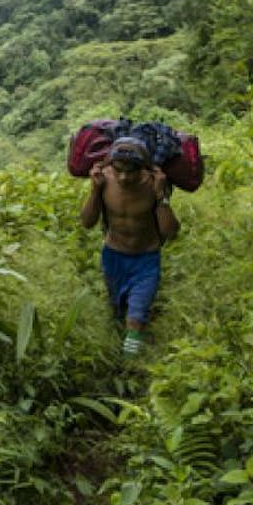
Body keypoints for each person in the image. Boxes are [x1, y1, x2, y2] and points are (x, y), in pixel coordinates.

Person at [79, 136, 179, 356]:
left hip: (146, 260)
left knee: (136, 316)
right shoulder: (103, 181)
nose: (123, 177)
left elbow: (170, 232)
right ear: (110, 167)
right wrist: (95, 191)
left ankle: (129, 364)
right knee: (116, 312)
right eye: (118, 170)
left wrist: (161, 196)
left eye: (130, 171)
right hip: (113, 257)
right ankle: (114, 357)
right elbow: (87, 222)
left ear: (142, 169)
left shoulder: (154, 184)